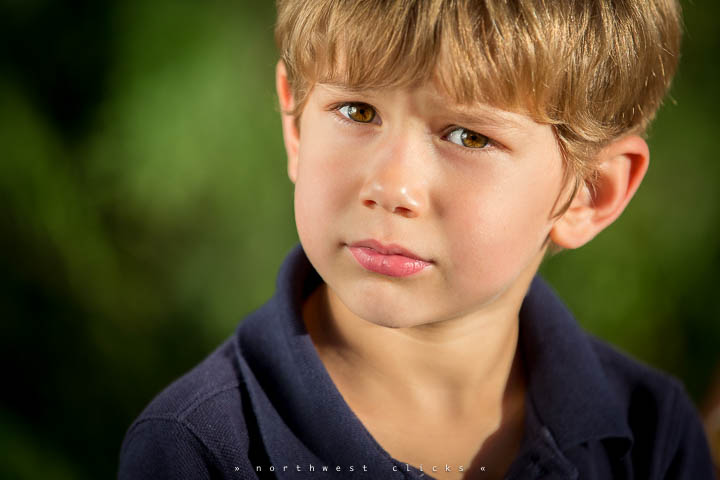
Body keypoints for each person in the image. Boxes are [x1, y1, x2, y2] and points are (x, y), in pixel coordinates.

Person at [118, 0, 716, 478]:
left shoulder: (652, 436)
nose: (391, 186)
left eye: (468, 137)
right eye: (356, 111)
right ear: (295, 121)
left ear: (591, 192)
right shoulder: (197, 447)